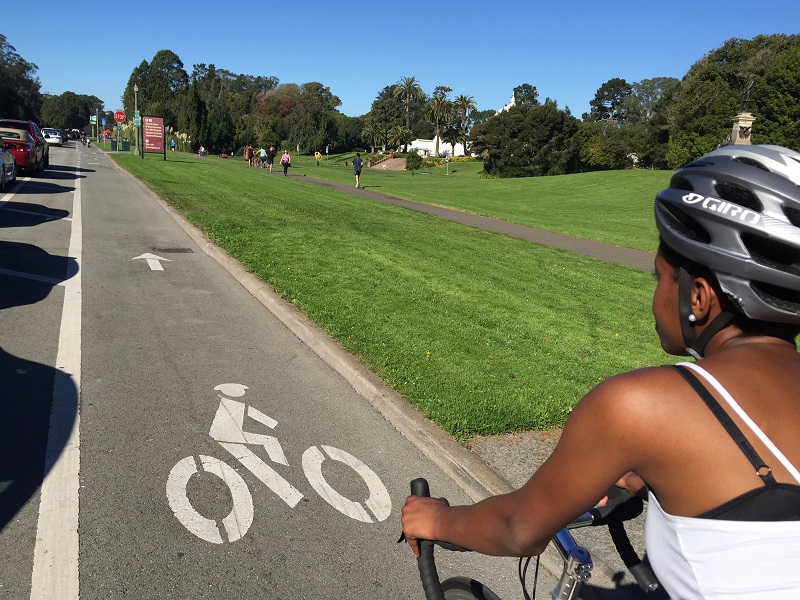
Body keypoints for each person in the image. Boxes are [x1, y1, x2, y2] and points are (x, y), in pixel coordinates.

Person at [401, 144, 800, 598]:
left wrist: (433, 518)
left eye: (659, 278)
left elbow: (518, 528)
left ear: (699, 298)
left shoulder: (642, 406)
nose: (655, 295)